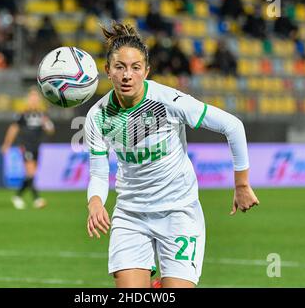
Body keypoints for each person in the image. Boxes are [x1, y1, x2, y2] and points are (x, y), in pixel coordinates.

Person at [85, 22, 259, 288]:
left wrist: (242, 184)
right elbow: (98, 173)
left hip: (178, 212)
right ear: (108, 71)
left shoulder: (169, 101)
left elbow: (232, 126)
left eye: (135, 67)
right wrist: (95, 203)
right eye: (119, 67)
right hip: (131, 215)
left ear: (146, 70)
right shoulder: (97, 116)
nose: (127, 75)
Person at [1, 87, 55, 210]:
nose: (34, 100)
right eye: (32, 97)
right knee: (31, 172)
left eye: (36, 97)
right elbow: (13, 129)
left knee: (31, 174)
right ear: (28, 100)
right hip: (25, 146)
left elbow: (51, 131)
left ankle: (18, 196)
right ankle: (37, 199)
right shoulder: (23, 114)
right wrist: (6, 144)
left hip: (36, 146)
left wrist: (47, 123)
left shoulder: (42, 115)